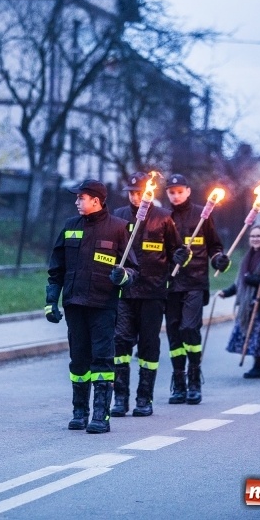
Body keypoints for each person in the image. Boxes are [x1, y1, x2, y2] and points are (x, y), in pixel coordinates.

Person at [46, 179, 136, 434]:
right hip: (74, 304)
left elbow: (133, 269)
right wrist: (51, 301)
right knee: (78, 360)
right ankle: (79, 412)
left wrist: (124, 276)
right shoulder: (70, 226)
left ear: (96, 200)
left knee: (102, 359)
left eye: (81, 198)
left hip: (102, 305)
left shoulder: (118, 228)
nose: (76, 202)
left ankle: (100, 415)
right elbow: (56, 269)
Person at [110, 172, 184, 417]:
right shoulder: (119, 216)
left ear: (149, 193)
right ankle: (120, 398)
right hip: (125, 292)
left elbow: (176, 252)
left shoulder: (164, 217)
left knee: (148, 344)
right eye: (132, 193)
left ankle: (144, 398)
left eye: (139, 192)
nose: (135, 197)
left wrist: (181, 257)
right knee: (120, 341)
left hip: (153, 291)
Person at [164, 174, 228, 405]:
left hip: (195, 282)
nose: (176, 195)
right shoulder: (163, 216)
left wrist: (219, 259)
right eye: (172, 192)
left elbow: (215, 246)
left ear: (188, 191)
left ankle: (194, 380)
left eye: (180, 191)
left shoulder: (203, 214)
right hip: (171, 284)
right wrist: (171, 257)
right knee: (174, 332)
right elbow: (156, 250)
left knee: (189, 328)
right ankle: (179, 383)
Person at [219, 225, 260, 378]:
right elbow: (241, 281)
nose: (255, 239)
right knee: (250, 334)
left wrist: (252, 279)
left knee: (259, 336)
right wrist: (227, 292)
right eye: (252, 236)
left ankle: (258, 367)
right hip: (247, 304)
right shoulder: (249, 256)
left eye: (259, 236)